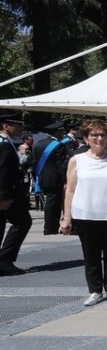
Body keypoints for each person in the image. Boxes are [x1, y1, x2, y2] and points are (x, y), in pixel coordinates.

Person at [61, 119, 107, 305]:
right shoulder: (76, 160)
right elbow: (70, 190)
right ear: (86, 138)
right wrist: (66, 217)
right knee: (91, 255)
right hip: (85, 213)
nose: (99, 138)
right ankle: (95, 290)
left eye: (103, 135)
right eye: (94, 135)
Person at [0, 113, 32, 277]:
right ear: (6, 126)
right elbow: (3, 172)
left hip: (8, 193)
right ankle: (4, 260)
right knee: (22, 222)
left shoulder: (6, 142)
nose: (21, 128)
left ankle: (4, 261)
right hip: (7, 195)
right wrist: (3, 197)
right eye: (17, 125)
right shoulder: (4, 144)